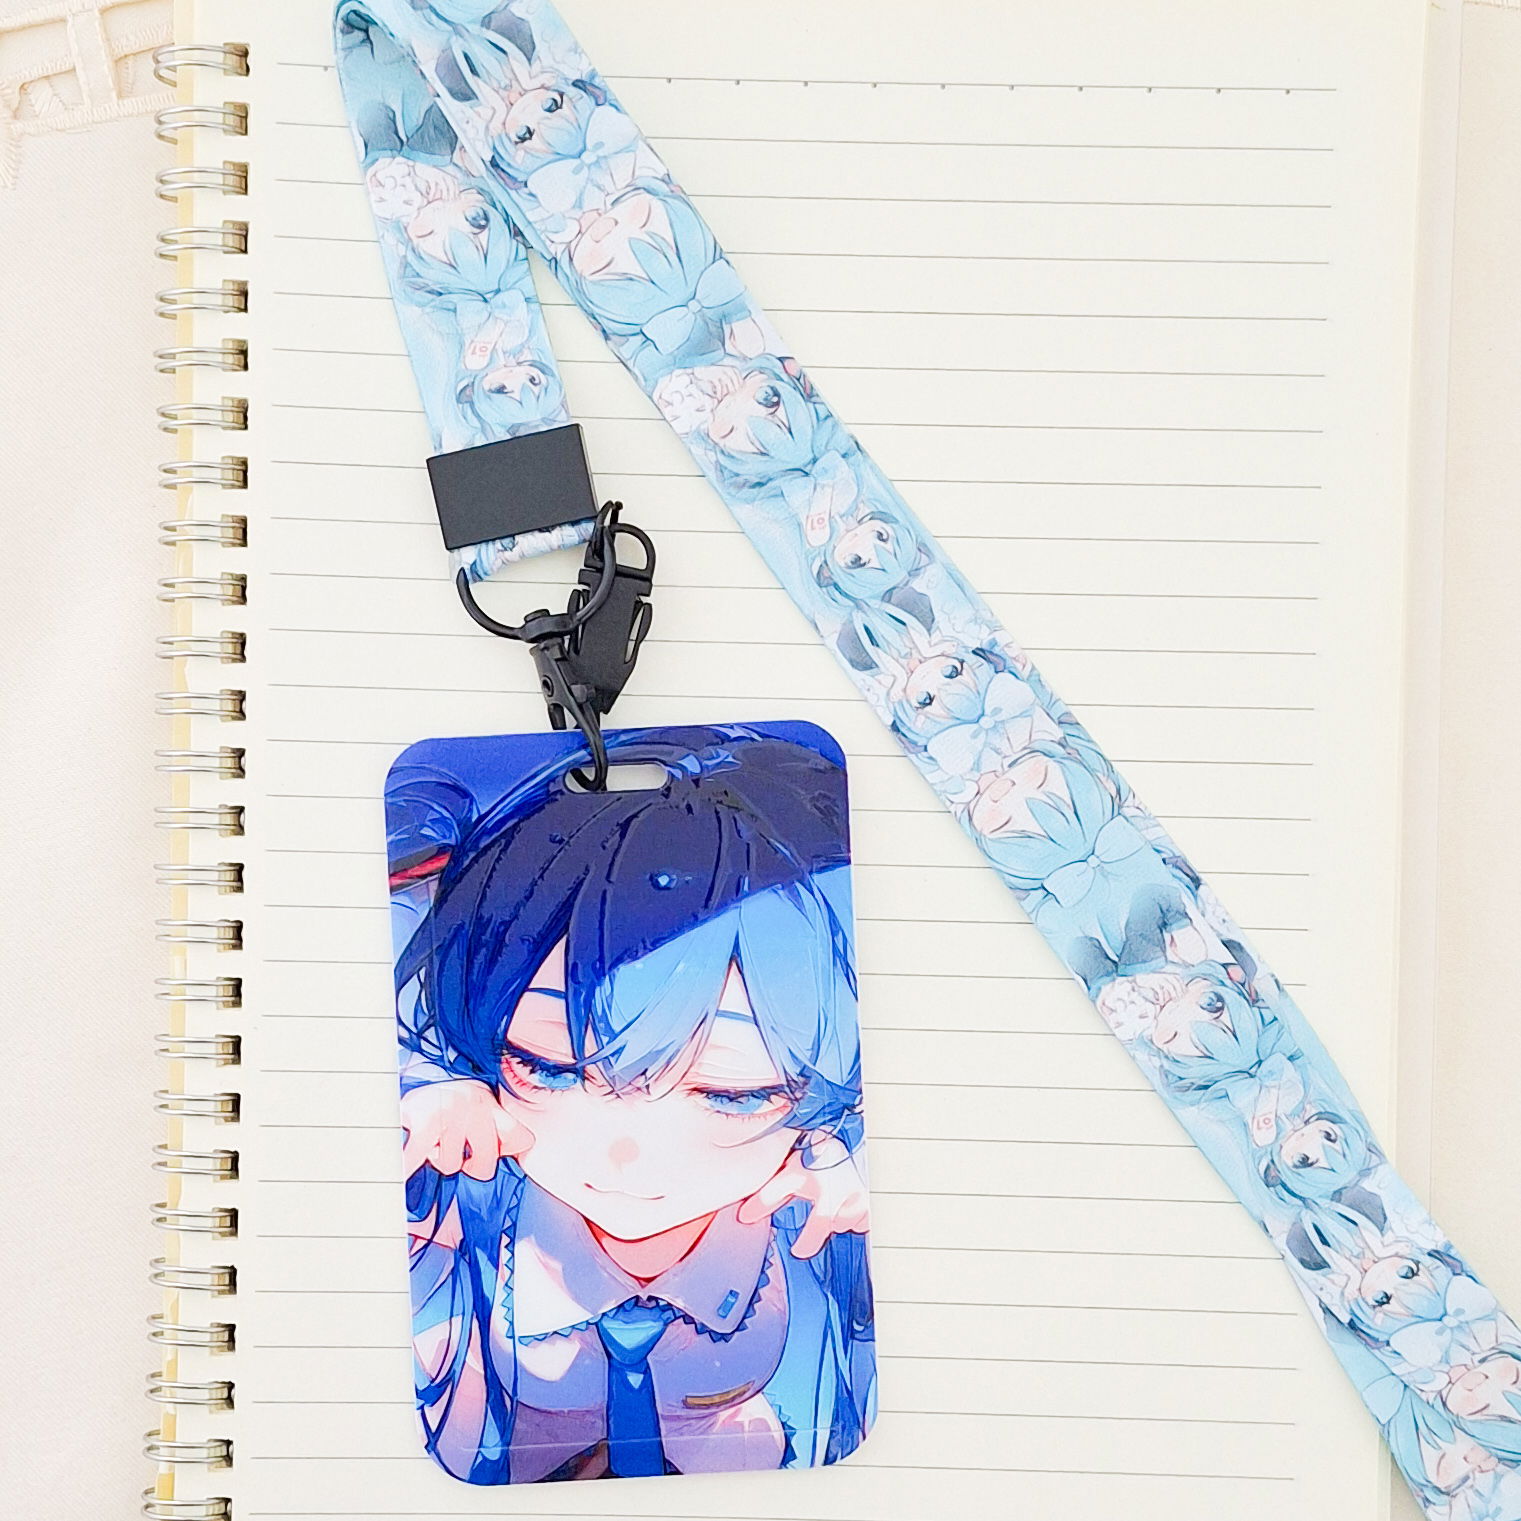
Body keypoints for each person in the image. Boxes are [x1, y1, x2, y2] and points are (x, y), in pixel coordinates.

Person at [385, 725, 876, 1483]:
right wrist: (426, 1097)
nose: (624, 1154)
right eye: (546, 1068)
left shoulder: (808, 1222)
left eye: (733, 1093)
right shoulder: (474, 1208)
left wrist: (861, 1169)